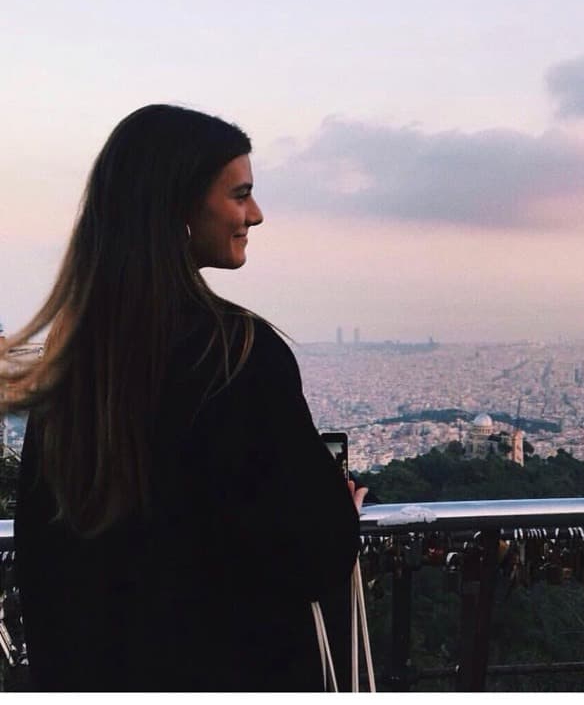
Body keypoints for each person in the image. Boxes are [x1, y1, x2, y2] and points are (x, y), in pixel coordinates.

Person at [0, 104, 364, 691]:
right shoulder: (239, 356)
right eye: (239, 194)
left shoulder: (74, 366)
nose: (257, 214)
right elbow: (313, 554)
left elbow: (45, 566)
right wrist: (340, 513)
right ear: (180, 206)